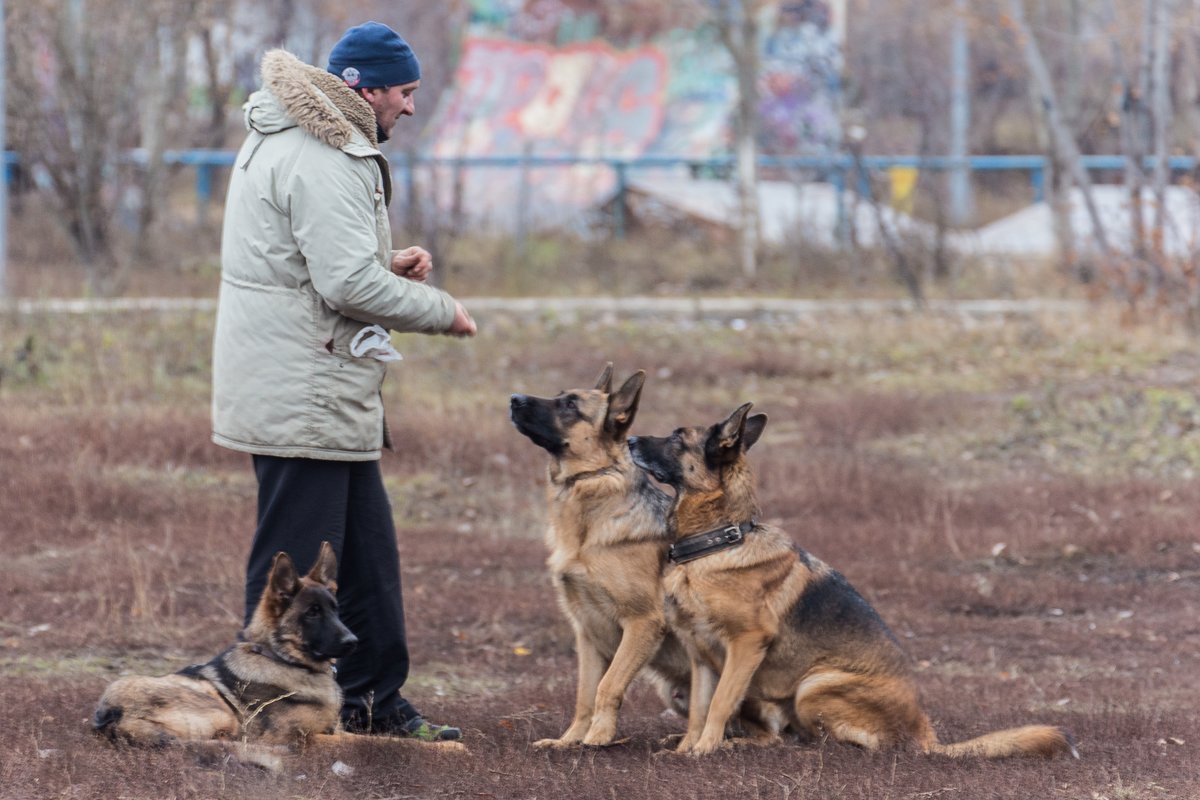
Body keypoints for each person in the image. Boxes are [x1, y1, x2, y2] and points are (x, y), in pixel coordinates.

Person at [211, 21, 476, 742]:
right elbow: (343, 282)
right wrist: (440, 310)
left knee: (366, 560)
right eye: (406, 92)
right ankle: (266, 708)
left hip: (320, 383)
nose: (411, 107)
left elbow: (305, 261)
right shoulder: (323, 154)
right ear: (365, 89)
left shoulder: (296, 138)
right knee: (289, 571)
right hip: (305, 388)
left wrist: (384, 265)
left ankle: (372, 704)